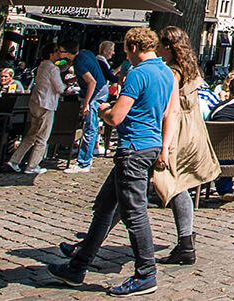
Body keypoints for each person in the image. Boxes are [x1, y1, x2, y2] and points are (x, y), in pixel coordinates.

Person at [47, 27, 172, 296]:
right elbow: (166, 112)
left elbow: (116, 117)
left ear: (134, 47)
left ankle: (146, 273)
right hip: (150, 145)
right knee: (105, 208)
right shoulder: (165, 72)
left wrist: (103, 110)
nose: (125, 54)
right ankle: (78, 266)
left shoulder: (138, 74)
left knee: (134, 213)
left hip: (133, 148)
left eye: (126, 49)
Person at [146, 26, 218, 266]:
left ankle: (91, 244)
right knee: (178, 185)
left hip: (176, 131)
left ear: (168, 47)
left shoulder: (172, 73)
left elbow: (168, 107)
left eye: (160, 46)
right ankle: (185, 242)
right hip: (193, 129)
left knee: (168, 183)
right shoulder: (191, 67)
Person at [10, 41, 72, 175]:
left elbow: (58, 67)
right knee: (42, 137)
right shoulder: (53, 68)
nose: (58, 53)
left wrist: (66, 63)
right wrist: (69, 83)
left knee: (31, 134)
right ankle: (33, 165)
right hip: (47, 104)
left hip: (35, 103)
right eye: (56, 51)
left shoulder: (43, 66)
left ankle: (15, 159)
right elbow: (60, 88)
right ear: (51, 54)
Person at [68, 41, 116, 174]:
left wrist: (86, 103)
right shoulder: (86, 54)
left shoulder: (79, 62)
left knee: (90, 126)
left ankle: (84, 162)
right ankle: (85, 158)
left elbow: (91, 82)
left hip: (96, 92)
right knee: (91, 126)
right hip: (101, 89)